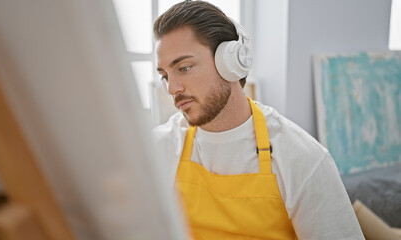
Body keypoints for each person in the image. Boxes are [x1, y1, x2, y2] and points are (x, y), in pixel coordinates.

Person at [152, 0, 364, 239]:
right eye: (164, 75)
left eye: (184, 68)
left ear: (230, 63)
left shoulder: (303, 159)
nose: (171, 88)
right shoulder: (160, 147)